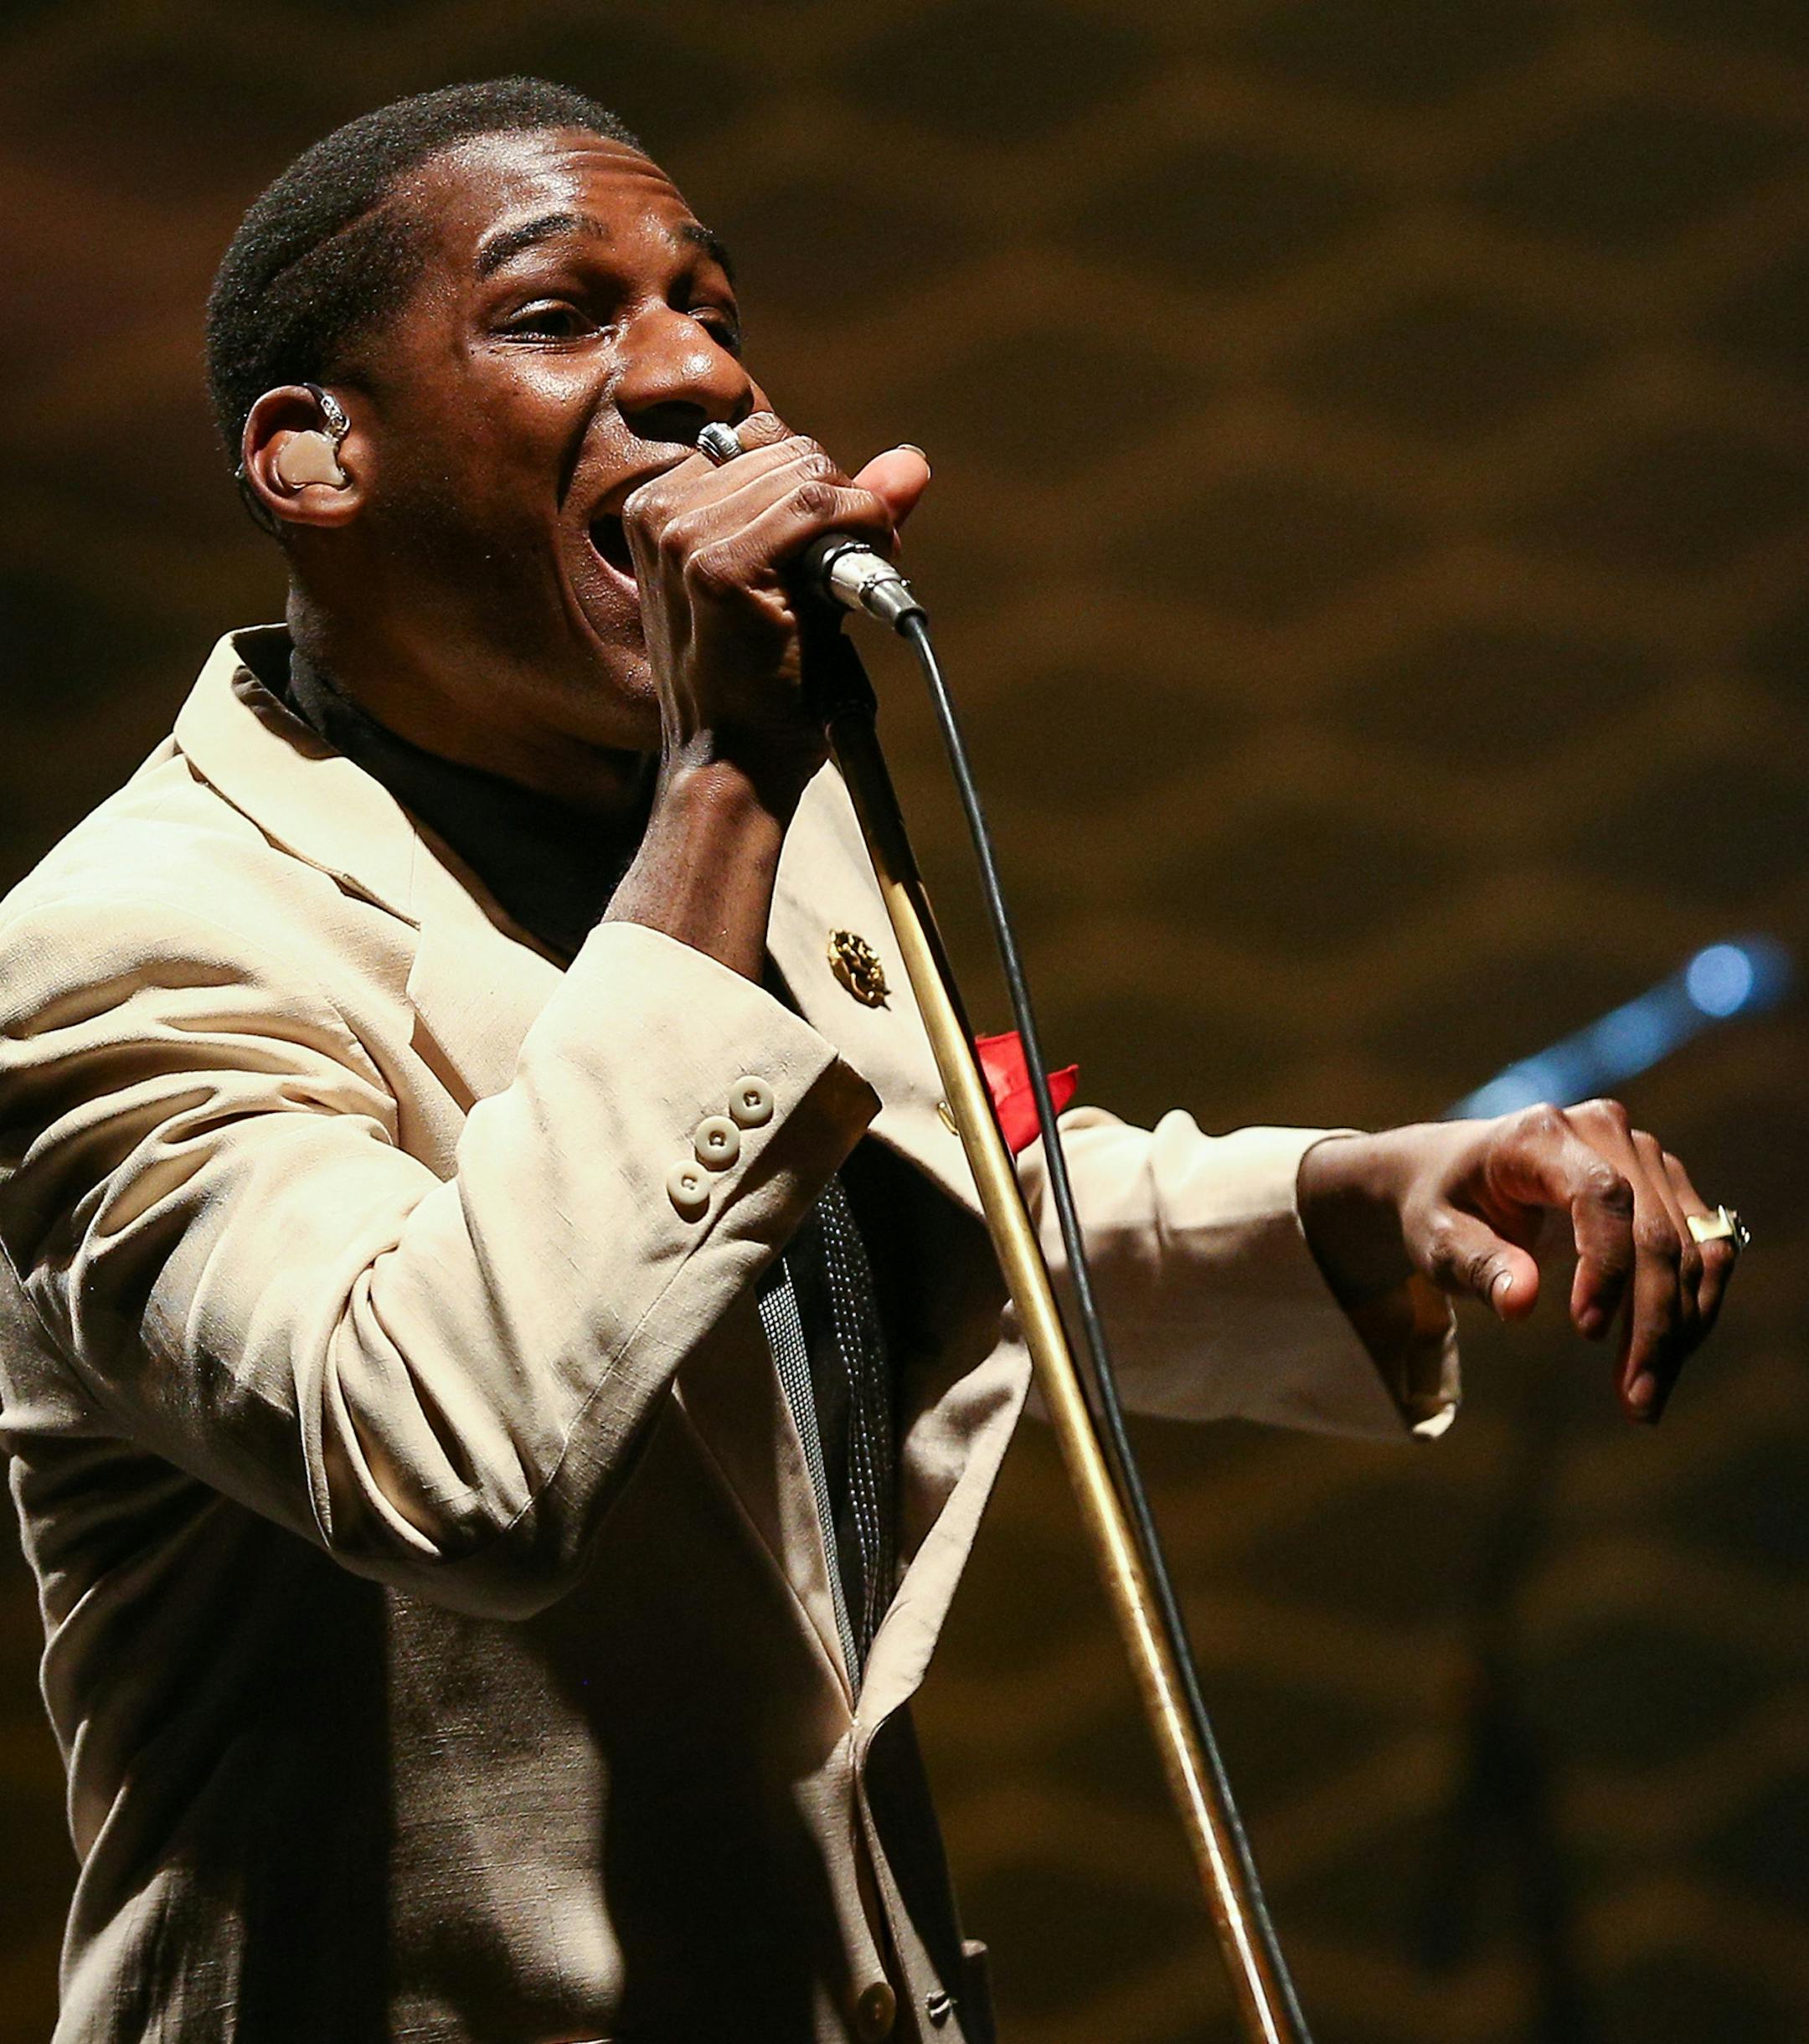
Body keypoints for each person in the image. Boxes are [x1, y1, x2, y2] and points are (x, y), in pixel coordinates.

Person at [0, 79, 1739, 2044]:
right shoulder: (124, 950)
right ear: (315, 451)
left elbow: (923, 1199)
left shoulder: (736, 819)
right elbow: (449, 1450)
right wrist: (733, 770)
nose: (699, 378)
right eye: (563, 315)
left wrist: (1361, 1193)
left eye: (714, 308)